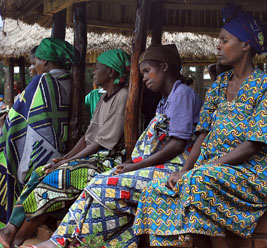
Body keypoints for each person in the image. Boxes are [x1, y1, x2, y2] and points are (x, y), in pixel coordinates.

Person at [132, 3, 267, 247]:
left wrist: (205, 168)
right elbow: (202, 135)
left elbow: (253, 145)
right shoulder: (219, 86)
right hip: (215, 169)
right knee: (156, 191)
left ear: (245, 45)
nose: (218, 45)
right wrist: (186, 169)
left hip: (259, 170)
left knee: (199, 182)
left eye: (224, 40)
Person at [30, 44, 202, 248]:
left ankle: (65, 242)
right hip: (159, 165)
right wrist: (135, 162)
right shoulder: (166, 99)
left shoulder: (182, 94)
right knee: (98, 183)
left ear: (165, 67)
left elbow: (177, 145)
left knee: (105, 185)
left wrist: (137, 166)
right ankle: (59, 241)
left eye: (148, 71)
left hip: (175, 167)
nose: (144, 77)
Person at [0, 49, 130, 248]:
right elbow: (88, 138)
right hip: (95, 156)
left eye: (97, 67)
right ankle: (11, 231)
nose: (93, 71)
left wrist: (67, 162)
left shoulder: (123, 97)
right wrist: (64, 158)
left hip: (109, 160)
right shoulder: (104, 99)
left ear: (111, 72)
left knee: (53, 181)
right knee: (41, 172)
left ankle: (15, 237)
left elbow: (102, 143)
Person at [0, 38, 77, 227]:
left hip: (42, 152)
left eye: (35, 62)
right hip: (61, 145)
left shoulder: (43, 80)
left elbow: (19, 115)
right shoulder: (71, 80)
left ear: (44, 61)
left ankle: (9, 224)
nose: (33, 67)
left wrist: (6, 124)